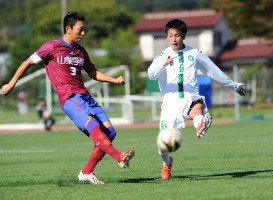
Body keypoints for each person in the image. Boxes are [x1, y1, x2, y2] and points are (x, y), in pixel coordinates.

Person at [1, 11, 135, 184]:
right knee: (94, 126)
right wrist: (11, 83)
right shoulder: (51, 47)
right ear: (68, 29)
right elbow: (27, 62)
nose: (83, 33)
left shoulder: (81, 51)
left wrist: (113, 79)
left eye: (84, 29)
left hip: (86, 97)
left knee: (110, 132)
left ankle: (87, 172)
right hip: (70, 98)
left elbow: (92, 72)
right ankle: (119, 157)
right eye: (80, 29)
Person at [148, 19, 246, 179]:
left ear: (184, 36)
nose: (174, 39)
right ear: (166, 37)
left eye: (177, 35)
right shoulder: (162, 56)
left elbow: (213, 71)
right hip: (170, 104)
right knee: (162, 148)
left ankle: (200, 124)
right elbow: (151, 74)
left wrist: (233, 85)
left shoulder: (194, 54)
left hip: (189, 96)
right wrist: (165, 63)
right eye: (171, 35)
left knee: (197, 107)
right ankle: (167, 163)